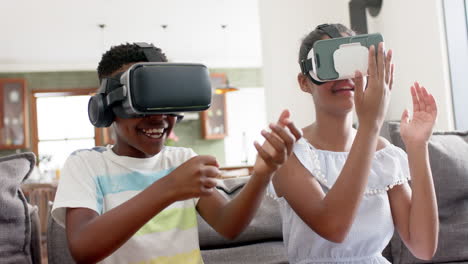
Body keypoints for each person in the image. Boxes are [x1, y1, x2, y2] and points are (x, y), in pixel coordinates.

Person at [51, 43, 302, 264]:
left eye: (166, 102)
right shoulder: (85, 165)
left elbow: (229, 225)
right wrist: (170, 187)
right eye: (143, 103)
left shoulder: (182, 160)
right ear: (106, 107)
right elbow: (84, 249)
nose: (160, 117)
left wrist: (263, 172)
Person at [270, 24, 439, 263]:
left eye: (353, 63)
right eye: (330, 65)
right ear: (304, 82)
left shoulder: (383, 155)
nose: (346, 77)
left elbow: (423, 247)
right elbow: (334, 227)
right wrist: (370, 124)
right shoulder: (288, 153)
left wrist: (417, 147)